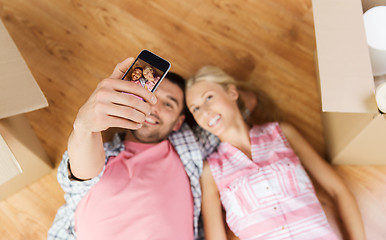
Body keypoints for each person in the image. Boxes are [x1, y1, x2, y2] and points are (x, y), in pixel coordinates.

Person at [185, 66, 366, 240]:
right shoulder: (211, 171)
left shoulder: (283, 134)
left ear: (232, 93)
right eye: (195, 109)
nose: (205, 112)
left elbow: (339, 190)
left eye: (208, 98)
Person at [47, 58, 220, 240]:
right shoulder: (102, 154)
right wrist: (84, 128)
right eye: (150, 95)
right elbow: (80, 174)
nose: (154, 108)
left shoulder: (191, 147)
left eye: (169, 104)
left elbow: (238, 107)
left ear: (178, 122)